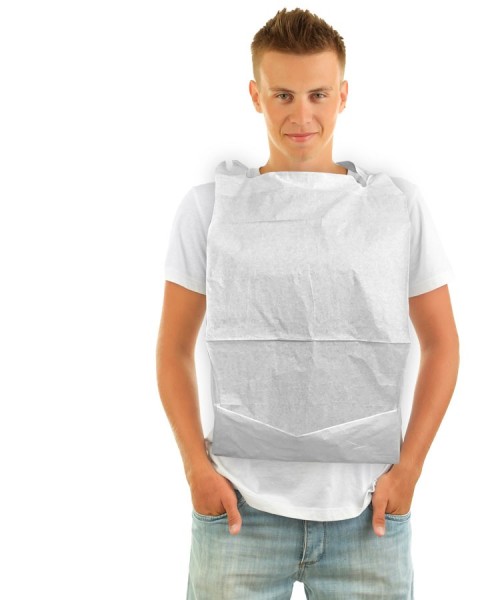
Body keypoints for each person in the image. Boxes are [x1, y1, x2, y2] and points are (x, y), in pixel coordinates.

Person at [156, 8, 459, 599]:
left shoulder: (395, 208)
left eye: (318, 94)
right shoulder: (210, 209)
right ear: (256, 95)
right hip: (239, 511)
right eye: (283, 95)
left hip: (367, 515)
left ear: (343, 95)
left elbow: (443, 343)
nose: (301, 115)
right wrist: (195, 467)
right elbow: (172, 349)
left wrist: (410, 469)